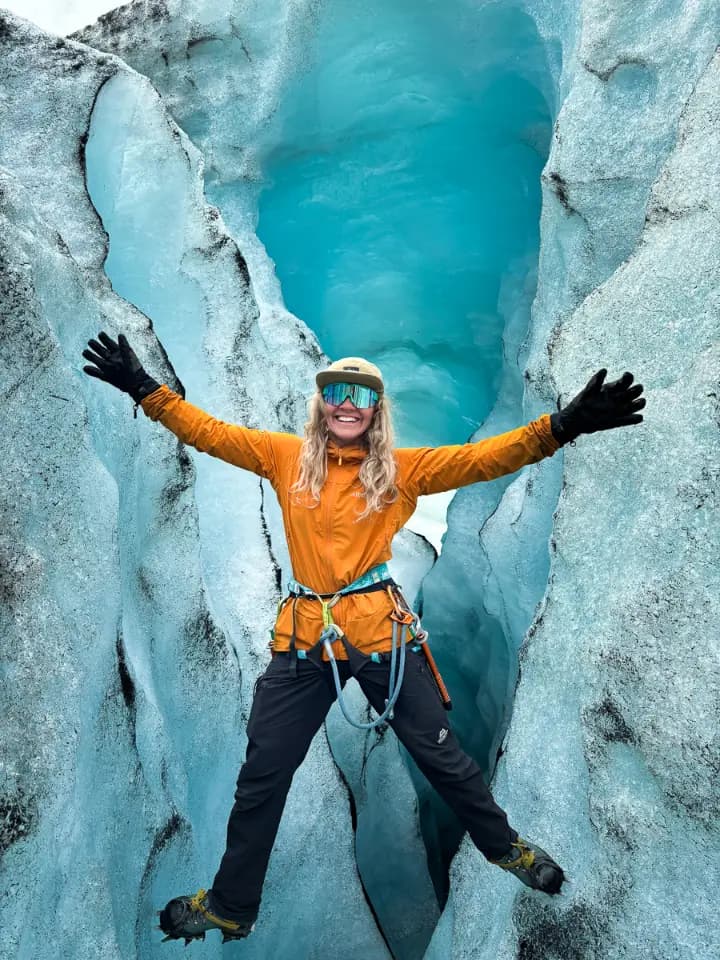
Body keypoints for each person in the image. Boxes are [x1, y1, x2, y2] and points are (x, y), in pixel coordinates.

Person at [82, 331, 645, 944]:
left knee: (443, 759)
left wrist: (562, 426)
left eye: (361, 395)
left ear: (377, 409)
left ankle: (505, 849)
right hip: (304, 642)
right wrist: (144, 389)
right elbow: (210, 433)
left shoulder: (402, 472)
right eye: (335, 394)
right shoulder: (284, 456)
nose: (346, 405)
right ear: (321, 404)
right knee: (262, 774)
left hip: (383, 637)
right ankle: (230, 904)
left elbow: (485, 458)